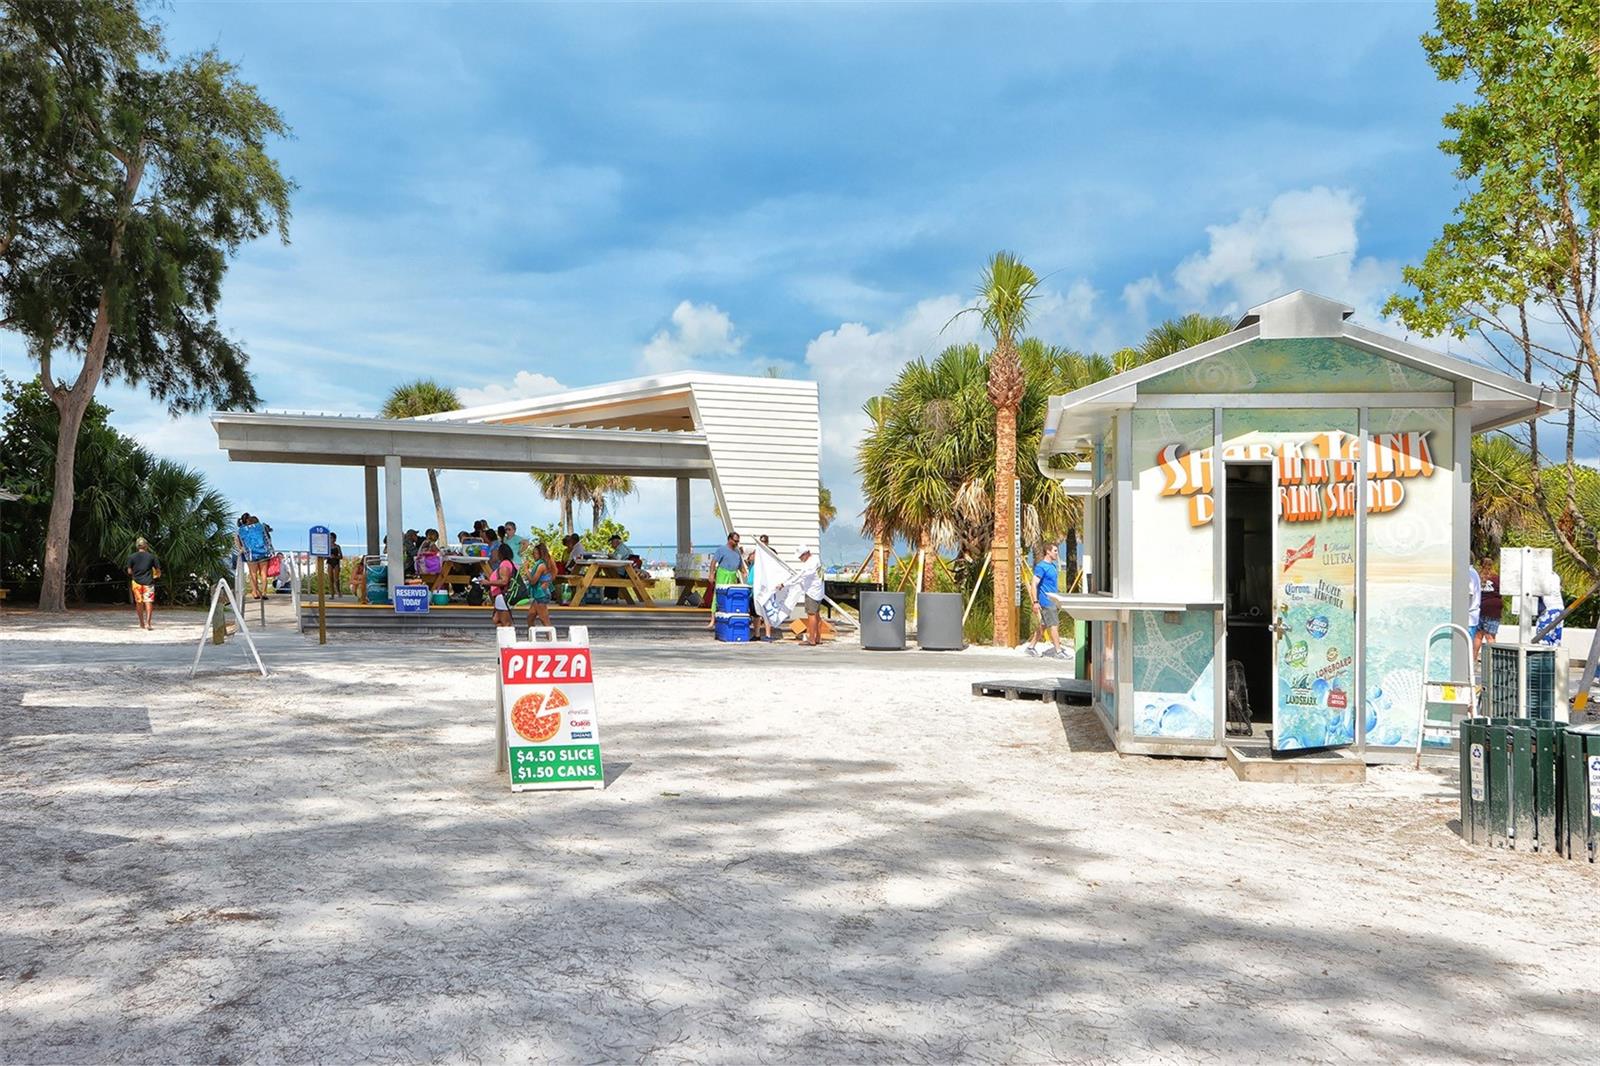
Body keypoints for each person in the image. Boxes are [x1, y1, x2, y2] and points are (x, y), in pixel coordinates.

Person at [777, 544, 825, 646]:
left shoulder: (809, 564)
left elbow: (799, 577)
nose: (800, 559)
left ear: (806, 554)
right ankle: (818, 638)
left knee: (811, 615)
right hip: (819, 591)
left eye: (801, 556)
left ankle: (811, 639)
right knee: (817, 615)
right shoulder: (816, 559)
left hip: (812, 592)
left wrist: (784, 584)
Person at [1026, 543, 1066, 659]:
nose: (1057, 553)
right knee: (1054, 625)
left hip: (1053, 601)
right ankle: (1058, 651)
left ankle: (1031, 647)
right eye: (1055, 551)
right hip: (1046, 601)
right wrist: (1035, 602)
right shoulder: (1041, 567)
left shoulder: (1053, 566)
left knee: (1043, 625)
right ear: (1048, 552)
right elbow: (1034, 584)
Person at [704, 531, 746, 627]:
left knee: (730, 595)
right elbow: (713, 562)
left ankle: (728, 618)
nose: (737, 543)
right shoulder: (721, 549)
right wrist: (711, 574)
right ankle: (713, 619)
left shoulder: (737, 551)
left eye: (738, 541)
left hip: (732, 574)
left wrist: (744, 572)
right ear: (730, 539)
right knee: (717, 595)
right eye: (735, 541)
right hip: (722, 573)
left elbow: (740, 565)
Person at [125, 536, 161, 630]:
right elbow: (158, 570)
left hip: (136, 583)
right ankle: (148, 623)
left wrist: (135, 574)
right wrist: (156, 576)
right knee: (148, 602)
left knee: (139, 603)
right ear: (146, 546)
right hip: (148, 582)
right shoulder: (152, 557)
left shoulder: (131, 557)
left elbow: (129, 571)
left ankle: (141, 623)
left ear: (137, 546)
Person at [235, 513, 270, 600]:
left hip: (250, 554)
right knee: (263, 573)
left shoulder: (241, 530)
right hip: (263, 552)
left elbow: (238, 543)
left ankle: (255, 592)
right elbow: (267, 538)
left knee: (253, 574)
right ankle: (264, 592)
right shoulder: (260, 526)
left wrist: (241, 549)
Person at [526, 541, 556, 631]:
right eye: (533, 553)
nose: (533, 555)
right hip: (540, 594)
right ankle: (531, 639)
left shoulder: (541, 565)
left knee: (545, 620)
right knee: (530, 618)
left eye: (535, 553)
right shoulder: (546, 564)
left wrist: (526, 569)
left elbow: (533, 581)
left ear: (541, 554)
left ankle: (551, 641)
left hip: (541, 595)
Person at [1476, 557, 1503, 657]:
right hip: (1494, 610)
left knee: (1478, 636)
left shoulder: (1478, 577)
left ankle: (1473, 661)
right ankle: (1492, 662)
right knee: (1490, 637)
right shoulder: (1497, 578)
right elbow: (1502, 592)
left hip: (1481, 608)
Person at [488, 542, 516, 630]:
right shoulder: (510, 563)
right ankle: (503, 637)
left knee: (505, 622)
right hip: (501, 596)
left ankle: (507, 639)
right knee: (496, 619)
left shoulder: (504, 565)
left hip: (502, 596)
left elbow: (504, 581)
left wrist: (487, 583)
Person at [327, 532, 344, 596]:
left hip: (336, 562)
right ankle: (332, 593)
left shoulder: (337, 546)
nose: (330, 539)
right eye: (329, 538)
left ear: (334, 539)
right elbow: (325, 557)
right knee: (330, 578)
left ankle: (338, 592)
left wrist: (335, 557)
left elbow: (341, 556)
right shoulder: (327, 547)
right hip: (329, 562)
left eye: (331, 538)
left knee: (336, 579)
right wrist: (329, 556)